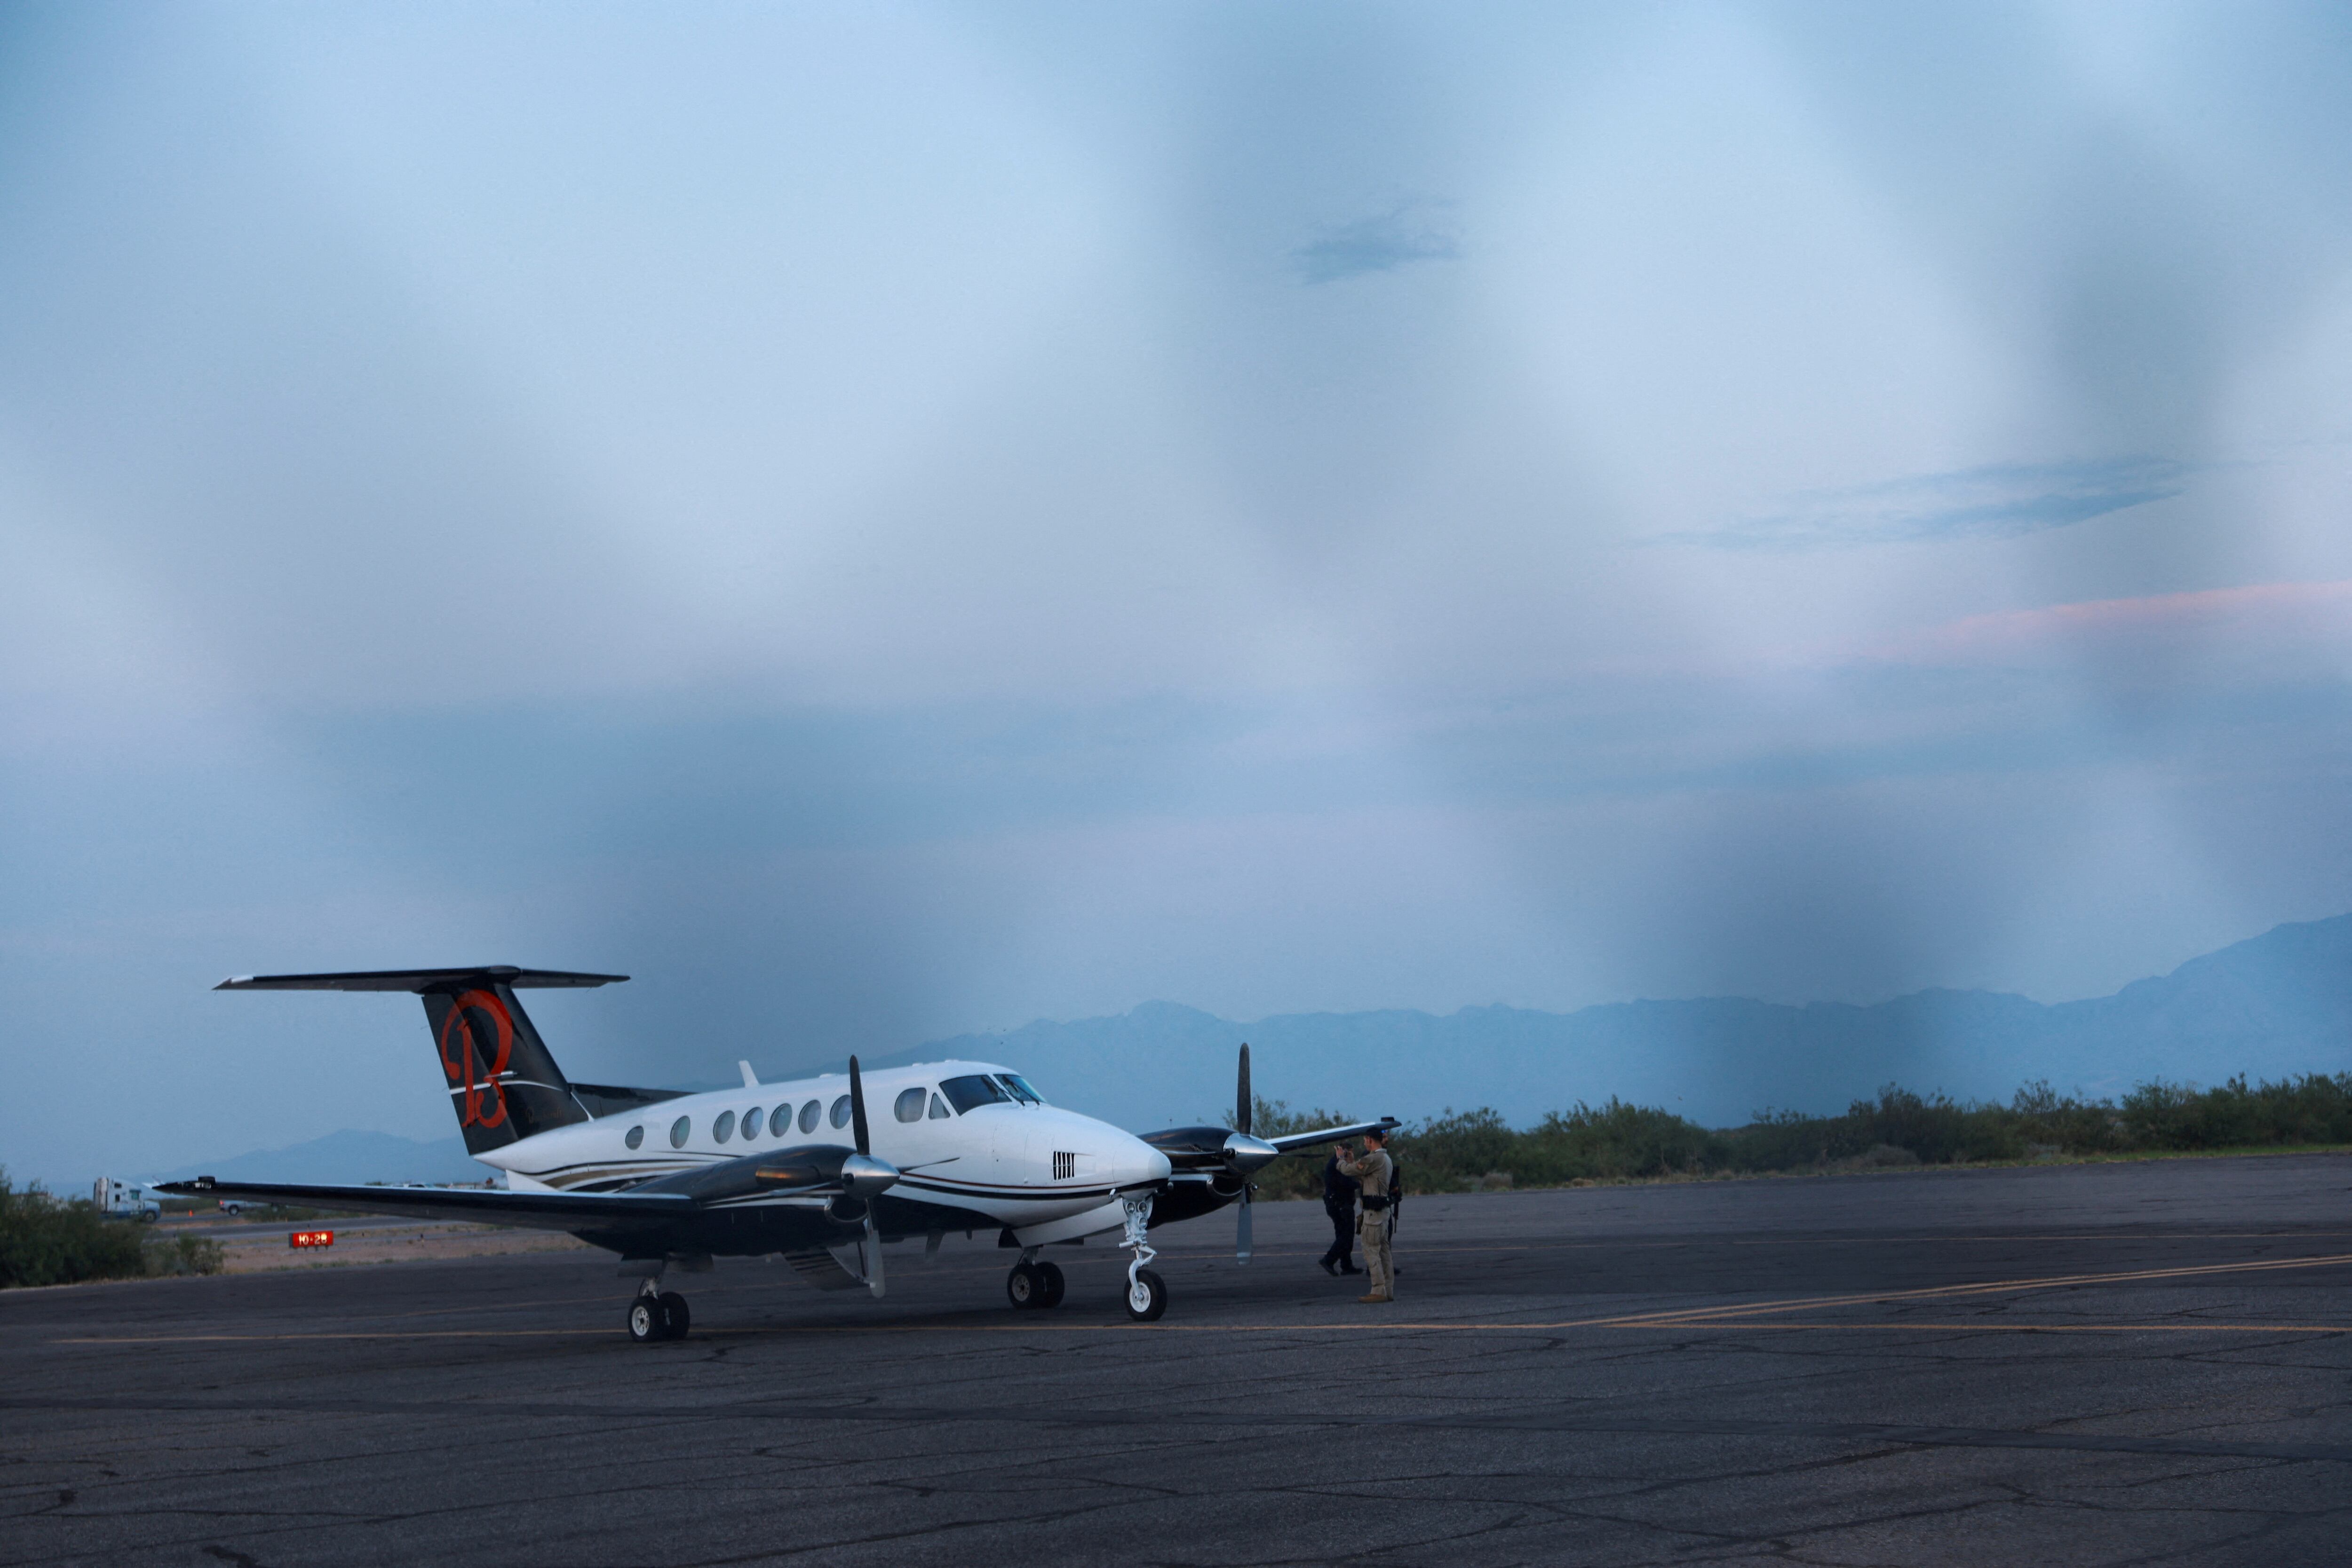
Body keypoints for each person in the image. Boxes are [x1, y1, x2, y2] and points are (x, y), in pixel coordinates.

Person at [1336, 1127, 1395, 1304]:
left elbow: (1349, 1171)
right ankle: (1388, 1290)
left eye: (1365, 1140)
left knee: (1371, 1251)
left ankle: (1378, 1290)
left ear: (1370, 1140)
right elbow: (1365, 1177)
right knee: (1384, 1253)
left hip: (1373, 1214)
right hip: (1382, 1212)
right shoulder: (1385, 1158)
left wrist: (1340, 1160)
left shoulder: (1374, 1158)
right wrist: (1354, 1162)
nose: (1364, 1143)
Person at [1318, 1149, 1360, 1276]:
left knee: (1343, 1234)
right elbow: (1346, 1184)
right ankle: (1329, 1260)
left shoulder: (1336, 1163)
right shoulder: (1339, 1165)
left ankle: (1346, 1265)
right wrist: (1360, 1183)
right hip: (1340, 1205)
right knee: (1346, 1235)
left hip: (1338, 1204)